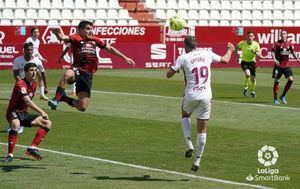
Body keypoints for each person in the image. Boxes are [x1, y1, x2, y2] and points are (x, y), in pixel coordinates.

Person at [166, 36, 235, 171]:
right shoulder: (207, 53)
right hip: (206, 96)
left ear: (185, 46)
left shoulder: (183, 57)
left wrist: (175, 70)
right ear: (196, 45)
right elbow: (225, 60)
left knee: (185, 114)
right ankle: (197, 160)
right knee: (202, 130)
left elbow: (168, 75)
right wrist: (230, 50)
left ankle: (188, 143)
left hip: (191, 95)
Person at [48, 20, 135, 111]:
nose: (91, 31)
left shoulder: (95, 40)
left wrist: (125, 57)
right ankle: (56, 99)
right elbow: (63, 38)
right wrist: (57, 34)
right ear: (80, 30)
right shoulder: (76, 38)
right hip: (77, 69)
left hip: (87, 74)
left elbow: (109, 48)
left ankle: (63, 98)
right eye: (88, 29)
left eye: (91, 29)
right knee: (67, 75)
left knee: (82, 107)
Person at [3, 62, 52, 163]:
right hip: (13, 112)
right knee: (16, 124)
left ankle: (32, 148)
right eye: (31, 70)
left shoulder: (33, 84)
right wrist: (42, 112)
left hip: (24, 114)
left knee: (47, 123)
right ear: (25, 72)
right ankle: (10, 155)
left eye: (35, 70)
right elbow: (27, 101)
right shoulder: (21, 84)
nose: (34, 73)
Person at [5, 42, 47, 134]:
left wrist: (45, 87)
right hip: (20, 86)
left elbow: (42, 74)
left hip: (31, 86)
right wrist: (22, 84)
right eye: (28, 50)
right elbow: (15, 74)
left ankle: (20, 125)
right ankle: (12, 125)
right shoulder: (18, 60)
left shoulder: (37, 61)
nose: (30, 51)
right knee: (14, 104)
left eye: (31, 50)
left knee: (25, 104)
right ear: (24, 50)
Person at [271, 30, 300, 104]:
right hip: (278, 66)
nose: (283, 35)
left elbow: (293, 52)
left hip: (286, 65)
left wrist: (297, 59)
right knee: (276, 81)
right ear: (280, 35)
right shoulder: (276, 43)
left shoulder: (289, 44)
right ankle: (275, 99)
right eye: (281, 34)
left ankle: (283, 96)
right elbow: (272, 52)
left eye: (284, 34)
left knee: (291, 79)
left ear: (286, 35)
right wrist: (274, 59)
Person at [236, 31, 263, 98]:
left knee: (253, 79)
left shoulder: (256, 44)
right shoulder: (242, 43)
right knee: (248, 74)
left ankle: (252, 91)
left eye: (251, 36)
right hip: (244, 62)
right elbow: (237, 48)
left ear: (253, 37)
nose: (250, 37)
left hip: (252, 63)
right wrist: (237, 57)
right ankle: (245, 87)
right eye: (248, 36)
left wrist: (254, 52)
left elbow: (259, 55)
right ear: (246, 37)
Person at [25, 27, 49, 100]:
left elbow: (37, 52)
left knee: (41, 75)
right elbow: (24, 49)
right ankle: (21, 92)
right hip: (30, 60)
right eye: (35, 32)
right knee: (26, 77)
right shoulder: (29, 40)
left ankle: (42, 94)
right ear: (31, 33)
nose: (36, 33)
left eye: (38, 32)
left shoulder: (38, 41)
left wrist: (42, 58)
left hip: (36, 60)